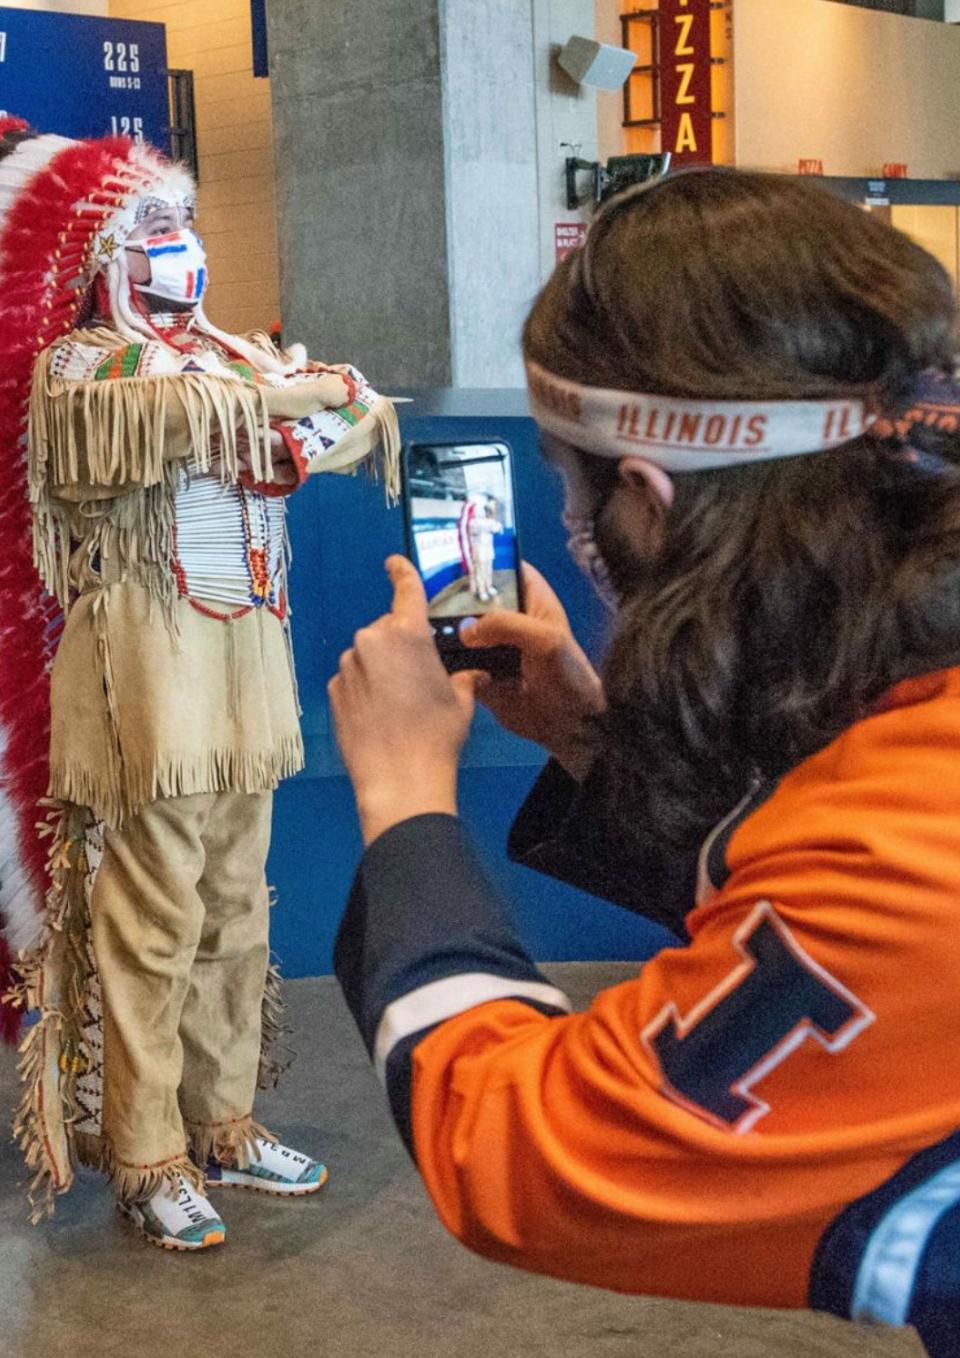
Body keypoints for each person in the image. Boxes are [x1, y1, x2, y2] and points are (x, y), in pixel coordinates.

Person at [328, 168, 960, 1357]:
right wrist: (591, 737)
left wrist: (406, 798)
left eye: (577, 494)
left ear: (652, 503)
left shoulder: (911, 857)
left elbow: (524, 1150)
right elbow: (804, 887)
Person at [0, 117, 398, 1250]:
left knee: (233, 901)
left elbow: (348, 418)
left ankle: (223, 1117)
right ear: (104, 253)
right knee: (150, 913)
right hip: (145, 667)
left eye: (187, 220)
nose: (183, 244)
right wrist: (292, 398)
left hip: (243, 665)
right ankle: (144, 1151)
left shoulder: (228, 357)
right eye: (156, 225)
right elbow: (159, 418)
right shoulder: (81, 369)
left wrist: (321, 402)